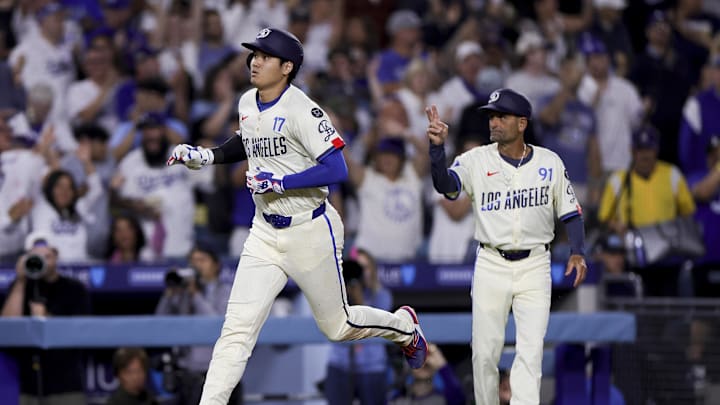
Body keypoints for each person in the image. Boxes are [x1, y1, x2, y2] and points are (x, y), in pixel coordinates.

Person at [166, 28, 428, 405]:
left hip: (310, 228)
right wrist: (207, 156)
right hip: (264, 232)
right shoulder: (246, 101)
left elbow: (336, 167)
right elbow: (248, 138)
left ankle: (405, 329)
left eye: (265, 56)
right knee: (235, 332)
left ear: (287, 67)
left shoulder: (302, 108)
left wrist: (283, 181)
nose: (255, 61)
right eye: (253, 54)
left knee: (338, 327)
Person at [425, 89, 588, 404]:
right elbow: (447, 187)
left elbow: (571, 212)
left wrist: (578, 251)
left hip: (535, 264)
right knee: (484, 353)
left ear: (522, 123)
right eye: (492, 116)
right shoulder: (474, 159)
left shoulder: (549, 162)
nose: (494, 122)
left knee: (530, 351)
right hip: (491, 263)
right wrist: (436, 149)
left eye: (502, 116)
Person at [597, 125, 696, 296]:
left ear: (656, 150)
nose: (645, 155)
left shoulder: (672, 174)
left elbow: (688, 211)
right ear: (632, 151)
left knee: (669, 303)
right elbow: (604, 216)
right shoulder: (619, 179)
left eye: (649, 149)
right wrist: (617, 226)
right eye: (640, 149)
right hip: (636, 254)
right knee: (639, 302)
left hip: (667, 253)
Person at [0, 231, 91, 404]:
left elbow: (82, 332)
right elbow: (6, 329)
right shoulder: (20, 287)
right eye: (36, 257)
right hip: (29, 387)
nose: (42, 262)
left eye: (47, 256)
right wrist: (20, 282)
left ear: (56, 256)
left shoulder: (74, 289)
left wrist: (47, 319)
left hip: (67, 386)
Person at [155, 245, 238, 405]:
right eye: (193, 261)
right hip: (186, 375)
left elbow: (217, 326)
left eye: (202, 260)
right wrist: (169, 294)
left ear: (216, 265)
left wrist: (196, 295)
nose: (197, 265)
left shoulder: (227, 291)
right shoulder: (183, 292)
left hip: (217, 375)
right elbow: (161, 324)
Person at [324, 258, 392, 405]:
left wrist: (359, 298)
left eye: (365, 267)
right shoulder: (336, 296)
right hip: (340, 364)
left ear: (373, 270)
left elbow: (374, 323)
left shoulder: (381, 296)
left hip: (372, 366)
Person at [390, 344, 466, 405]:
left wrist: (442, 365)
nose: (424, 364)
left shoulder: (444, 399)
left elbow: (458, 398)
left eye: (427, 364)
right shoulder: (397, 399)